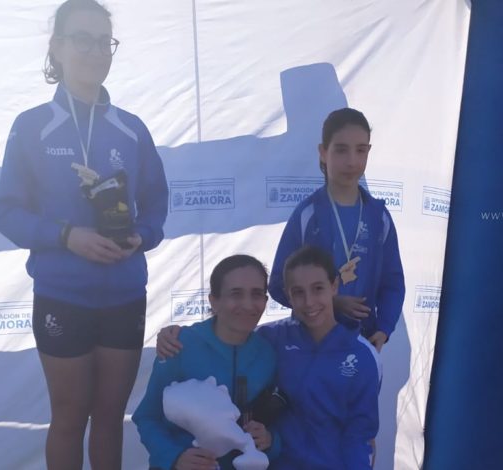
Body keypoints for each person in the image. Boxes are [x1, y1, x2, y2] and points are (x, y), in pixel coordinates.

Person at [0, 1, 168, 468]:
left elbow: (156, 203)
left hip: (124, 294)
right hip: (62, 295)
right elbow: (7, 212)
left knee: (110, 418)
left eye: (103, 41)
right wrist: (67, 236)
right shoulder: (31, 126)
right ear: (57, 47)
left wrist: (143, 235)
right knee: (69, 418)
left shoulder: (131, 129)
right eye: (82, 39)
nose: (95, 51)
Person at [157, 246, 380, 469]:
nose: (309, 301)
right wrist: (175, 334)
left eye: (318, 288)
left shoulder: (362, 356)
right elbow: (225, 333)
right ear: (287, 295)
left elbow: (360, 435)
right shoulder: (271, 338)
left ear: (334, 286)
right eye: (298, 292)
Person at [268, 108, 405, 351]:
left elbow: (392, 283)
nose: (351, 161)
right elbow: (279, 283)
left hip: (362, 343)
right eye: (341, 150)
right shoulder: (307, 215)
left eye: (360, 150)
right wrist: (329, 301)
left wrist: (384, 329)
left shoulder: (379, 218)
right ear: (323, 152)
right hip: (309, 345)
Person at [133, 255, 280, 470]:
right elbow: (147, 416)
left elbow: (276, 421)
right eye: (236, 293)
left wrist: (270, 439)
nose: (248, 304)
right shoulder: (179, 344)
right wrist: (174, 457)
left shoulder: (268, 354)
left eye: (256, 294)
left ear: (266, 301)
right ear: (213, 301)